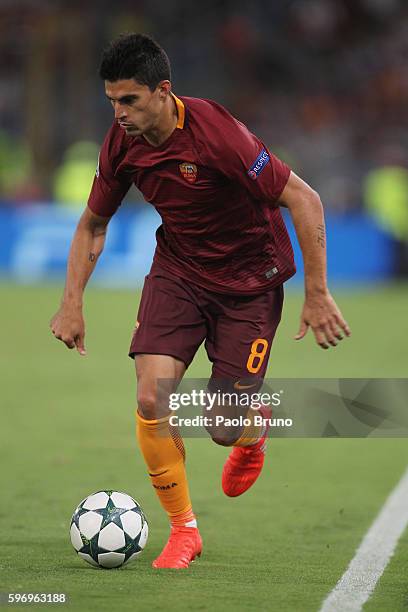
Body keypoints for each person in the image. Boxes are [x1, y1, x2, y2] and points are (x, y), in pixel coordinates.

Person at [50, 33, 351, 569]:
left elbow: (304, 198)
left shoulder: (217, 134)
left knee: (221, 426)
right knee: (150, 399)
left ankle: (250, 430)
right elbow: (94, 223)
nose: (118, 113)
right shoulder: (121, 144)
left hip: (250, 284)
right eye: (112, 101)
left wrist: (318, 293)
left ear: (163, 92)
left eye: (130, 101)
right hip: (180, 273)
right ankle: (183, 530)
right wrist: (71, 301)